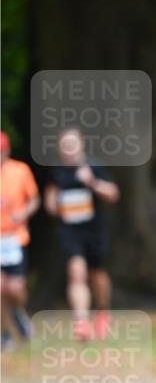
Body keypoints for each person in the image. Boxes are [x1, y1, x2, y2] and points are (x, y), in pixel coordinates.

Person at [44, 128, 120, 340]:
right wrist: (51, 202)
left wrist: (92, 182)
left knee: (97, 275)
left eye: (72, 143)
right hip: (70, 231)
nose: (68, 148)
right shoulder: (57, 171)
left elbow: (113, 194)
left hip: (94, 231)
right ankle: (82, 322)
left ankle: (103, 310)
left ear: (81, 144)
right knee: (76, 272)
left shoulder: (93, 166)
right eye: (64, 144)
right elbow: (51, 198)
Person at [1, 131, 40, 352]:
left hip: (15, 238)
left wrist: (22, 213)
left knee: (14, 289)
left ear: (7, 151)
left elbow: (34, 199)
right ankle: (5, 335)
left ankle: (17, 312)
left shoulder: (20, 171)